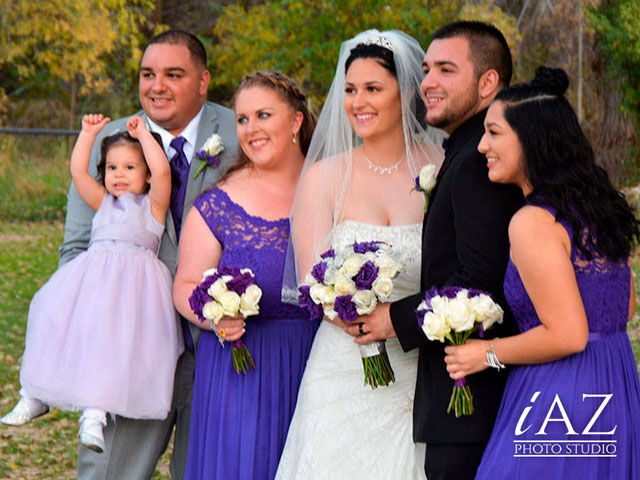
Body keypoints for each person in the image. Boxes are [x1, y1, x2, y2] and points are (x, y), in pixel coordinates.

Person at [444, 66, 640, 479]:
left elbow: (568, 334)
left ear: (532, 140)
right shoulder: (599, 208)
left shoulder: (532, 221)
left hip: (559, 393)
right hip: (615, 384)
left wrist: (486, 354)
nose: (481, 146)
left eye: (494, 133)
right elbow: (624, 309)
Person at [347, 21, 524, 479]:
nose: (427, 82)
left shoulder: (476, 165)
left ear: (488, 83)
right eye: (426, 69)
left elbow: (482, 284)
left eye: (446, 69)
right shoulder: (461, 154)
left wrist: (394, 318)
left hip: (468, 396)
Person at [59, 30, 238, 478]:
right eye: (147, 74)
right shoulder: (110, 139)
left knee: (207, 470)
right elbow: (78, 246)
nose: (156, 86)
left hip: (220, 345)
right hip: (130, 343)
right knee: (110, 471)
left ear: (202, 80)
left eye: (173, 74)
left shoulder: (240, 133)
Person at [275, 30, 443, 479]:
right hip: (343, 366)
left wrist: (400, 319)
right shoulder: (325, 177)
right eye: (350, 89)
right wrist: (353, 310)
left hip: (421, 366)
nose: (357, 102)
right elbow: (314, 282)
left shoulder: (441, 168)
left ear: (406, 92)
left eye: (373, 88)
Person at [1, 113, 182, 455]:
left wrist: (143, 134)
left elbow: (162, 173)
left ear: (144, 176)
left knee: (109, 347)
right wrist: (88, 135)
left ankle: (94, 416)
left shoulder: (153, 208)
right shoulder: (103, 203)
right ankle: (34, 394)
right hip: (93, 282)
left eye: (130, 168)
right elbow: (78, 174)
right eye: (112, 168)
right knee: (47, 315)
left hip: (132, 291)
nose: (119, 175)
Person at [172, 71, 319, 479]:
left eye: (263, 115)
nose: (250, 129)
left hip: (320, 365)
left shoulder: (332, 186)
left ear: (295, 121)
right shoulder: (217, 202)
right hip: (243, 373)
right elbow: (184, 286)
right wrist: (214, 316)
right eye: (242, 119)